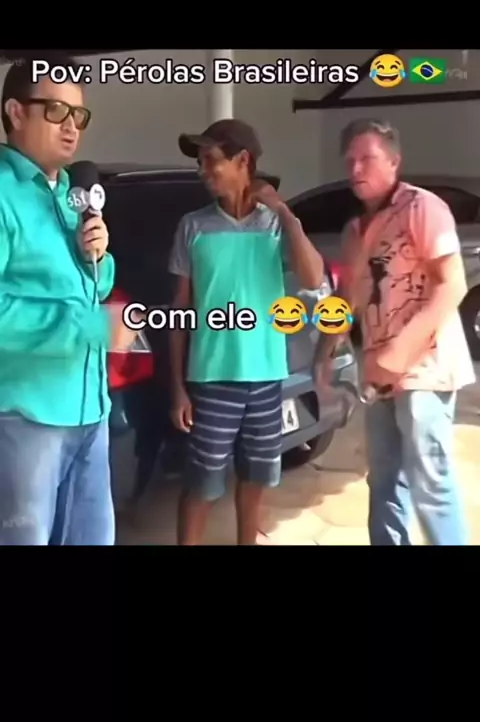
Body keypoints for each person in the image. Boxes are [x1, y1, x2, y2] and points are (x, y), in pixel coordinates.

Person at [168, 118, 325, 545]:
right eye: (200, 162)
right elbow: (180, 312)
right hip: (211, 379)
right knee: (202, 486)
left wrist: (285, 213)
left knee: (255, 481)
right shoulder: (193, 226)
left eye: (210, 160)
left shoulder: (274, 226)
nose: (203, 171)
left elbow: (313, 278)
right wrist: (178, 389)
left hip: (266, 379)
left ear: (243, 161)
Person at [0, 54, 136, 545]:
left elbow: (90, 285)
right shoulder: (3, 194)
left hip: (90, 410)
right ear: (16, 112)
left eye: (79, 115)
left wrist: (98, 255)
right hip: (27, 417)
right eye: (56, 110)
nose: (71, 127)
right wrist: (91, 327)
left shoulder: (68, 194)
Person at [324, 118, 474, 545]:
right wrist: (325, 355)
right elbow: (348, 300)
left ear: (394, 161)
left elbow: (453, 285)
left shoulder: (423, 208)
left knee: (430, 484)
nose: (356, 169)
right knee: (385, 479)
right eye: (350, 161)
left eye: (367, 158)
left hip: (425, 370)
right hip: (378, 377)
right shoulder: (355, 230)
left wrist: (397, 356)